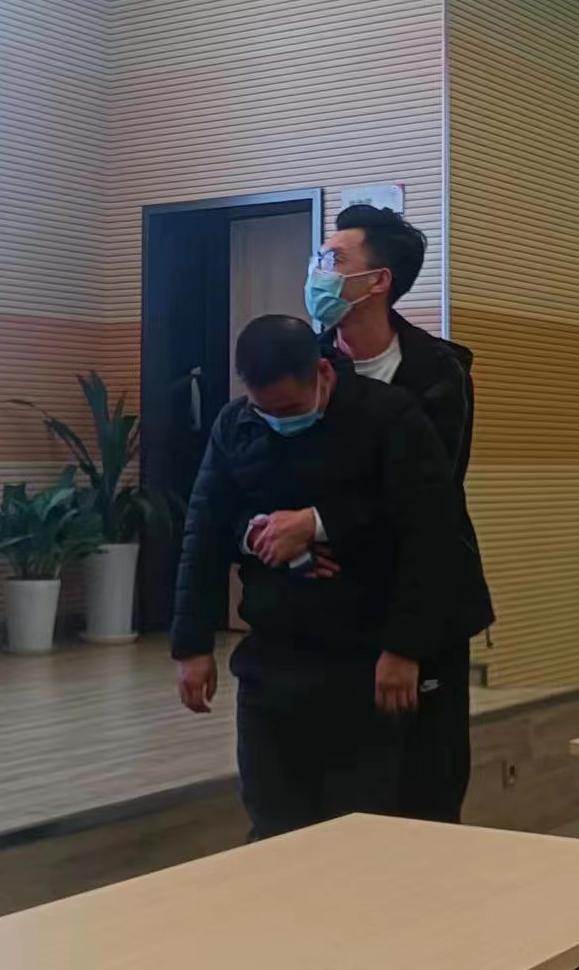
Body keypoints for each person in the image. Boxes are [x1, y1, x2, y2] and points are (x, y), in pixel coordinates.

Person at [171, 314, 466, 840]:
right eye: (264, 409)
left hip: (363, 659)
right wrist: (192, 646)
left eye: (288, 409)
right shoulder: (238, 424)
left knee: (360, 831)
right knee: (272, 825)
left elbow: (429, 531)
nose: (276, 420)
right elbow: (205, 529)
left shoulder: (390, 416)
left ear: (323, 374)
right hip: (273, 658)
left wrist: (405, 648)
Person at [268, 204, 494, 824]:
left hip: (423, 609)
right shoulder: (303, 365)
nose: (317, 269)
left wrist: (317, 523)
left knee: (426, 790)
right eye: (318, 257)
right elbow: (268, 481)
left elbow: (427, 500)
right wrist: (294, 543)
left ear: (378, 281)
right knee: (337, 795)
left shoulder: (439, 373)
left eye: (334, 258)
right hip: (330, 614)